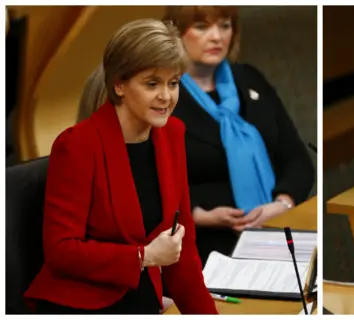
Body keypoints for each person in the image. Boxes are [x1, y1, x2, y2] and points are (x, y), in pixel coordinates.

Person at [23, 19, 218, 314]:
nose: (166, 96)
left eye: (173, 82)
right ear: (119, 84)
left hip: (142, 298)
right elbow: (61, 251)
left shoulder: (173, 134)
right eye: (152, 83)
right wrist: (144, 256)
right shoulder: (77, 145)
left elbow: (183, 251)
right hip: (81, 304)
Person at [163, 6, 315, 263]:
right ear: (175, 32)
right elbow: (147, 185)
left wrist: (283, 204)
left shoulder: (249, 78)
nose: (217, 37)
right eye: (202, 27)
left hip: (276, 230)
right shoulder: (163, 95)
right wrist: (200, 216)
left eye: (224, 25)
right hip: (203, 246)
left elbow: (297, 159)